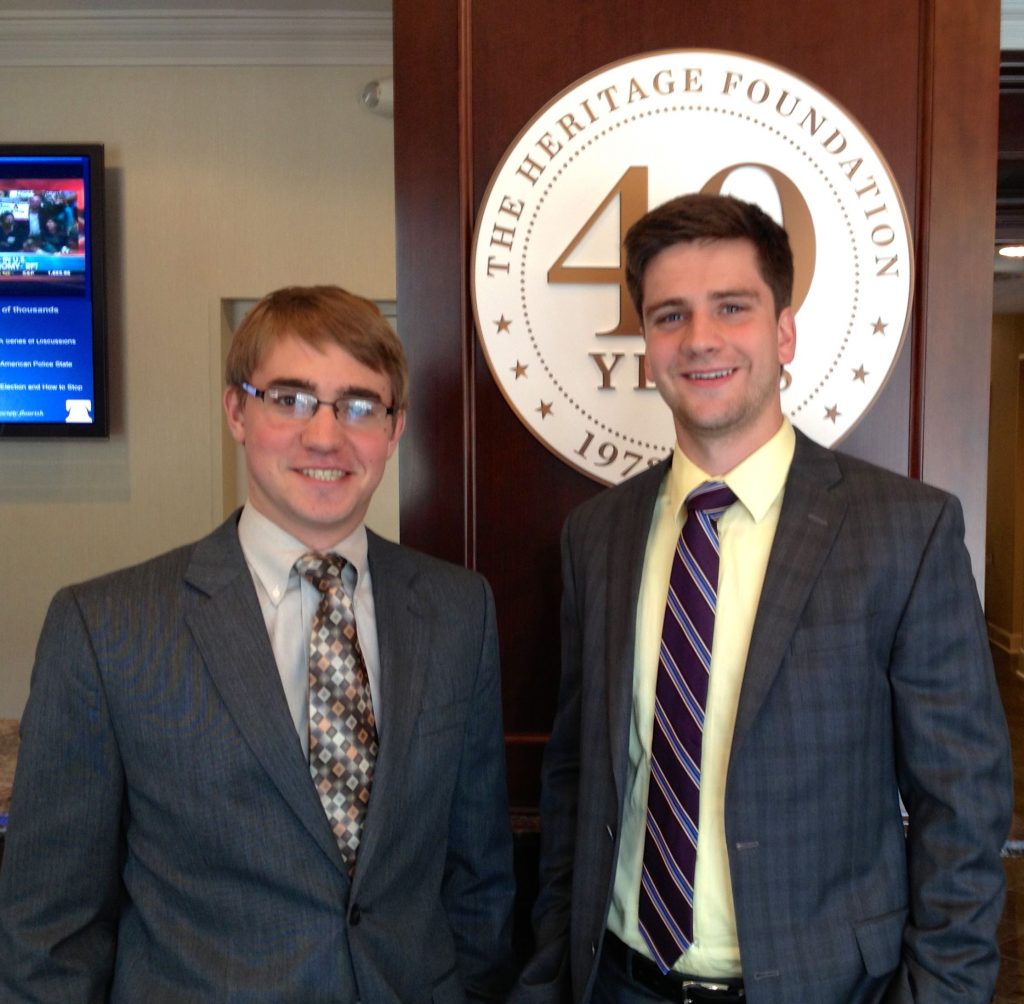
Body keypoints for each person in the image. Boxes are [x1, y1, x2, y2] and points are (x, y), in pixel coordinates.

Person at [513, 194, 1012, 1003]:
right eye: (670, 315)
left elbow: (964, 806)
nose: (700, 338)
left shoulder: (905, 531)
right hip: (615, 982)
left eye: (732, 308)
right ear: (646, 345)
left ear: (783, 333)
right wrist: (550, 973)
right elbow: (577, 780)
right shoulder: (596, 537)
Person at [0, 285, 516, 1002]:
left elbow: (478, 878)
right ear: (237, 411)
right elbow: (47, 926)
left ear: (394, 430)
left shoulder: (460, 611)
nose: (326, 435)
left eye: (360, 405)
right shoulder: (105, 627)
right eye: (290, 398)